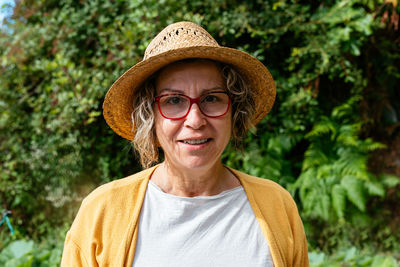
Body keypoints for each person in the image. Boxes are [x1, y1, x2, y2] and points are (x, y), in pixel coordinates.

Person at [61, 21, 309, 267]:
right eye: (174, 101)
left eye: (211, 98)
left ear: (234, 112)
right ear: (150, 116)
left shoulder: (277, 205)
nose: (195, 119)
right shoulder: (102, 212)